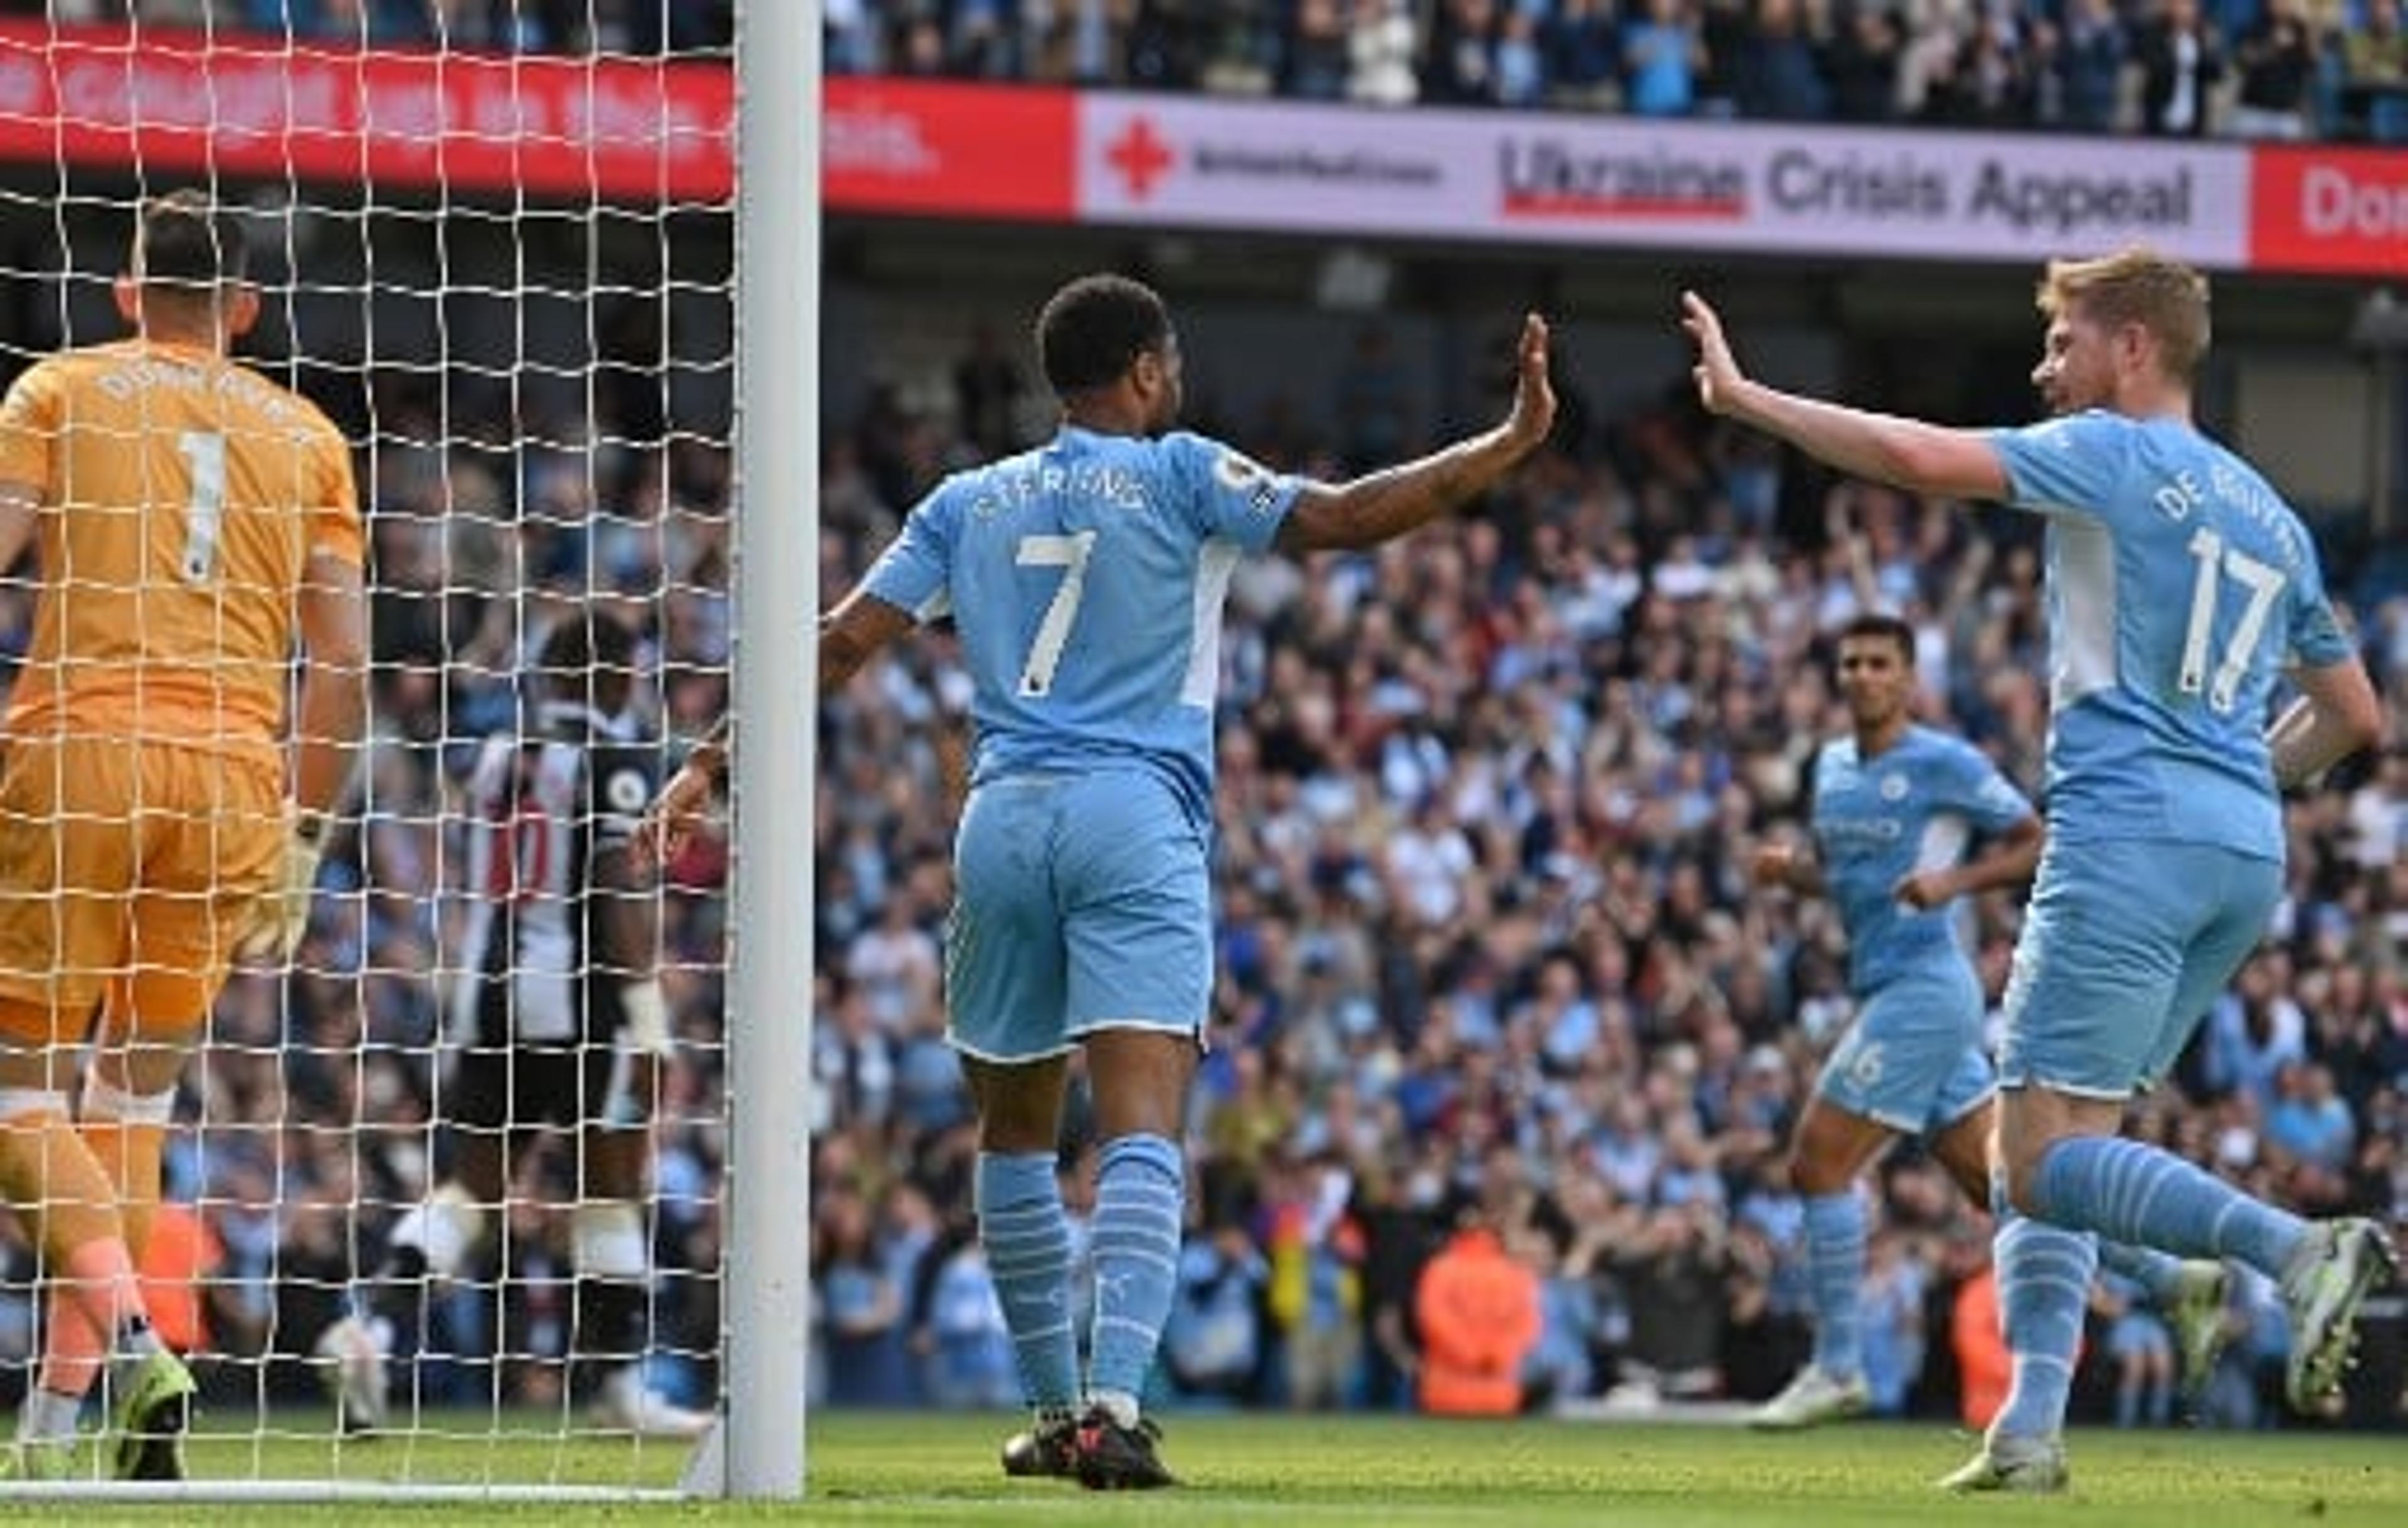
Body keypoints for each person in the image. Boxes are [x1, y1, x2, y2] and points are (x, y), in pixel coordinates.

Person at [641, 272, 1555, 1487]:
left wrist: (710, 759)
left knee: (1014, 1133)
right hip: (1136, 812)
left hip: (1002, 819)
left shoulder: (969, 500)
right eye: (1166, 363)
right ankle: (1116, 1405)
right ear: (1142, 372)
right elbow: (1343, 515)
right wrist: (1506, 441)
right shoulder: (1182, 471)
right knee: (1141, 1120)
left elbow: (845, 639)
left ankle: (1052, 1411)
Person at [1683, 248, 2392, 1492]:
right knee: (2072, 1138)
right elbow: (2356, 717)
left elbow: (1915, 458)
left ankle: (2292, 1254)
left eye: (2064, 342)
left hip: (2125, 836)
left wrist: (1750, 401)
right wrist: (2239, 778)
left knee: (2028, 1155)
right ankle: (2029, 1432)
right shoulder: (2274, 515)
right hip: (2240, 853)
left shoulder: (2114, 455)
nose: (2043, 365)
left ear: (2132, 348)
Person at [0, 191, 367, 1481]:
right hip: (235, 781)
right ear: (249, 309)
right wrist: (305, 831)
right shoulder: (311, 434)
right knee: (130, 1097)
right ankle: (58, 1423)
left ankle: (141, 1343)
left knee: (18, 1091)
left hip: (79, 750)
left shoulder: (55, 391)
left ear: (124, 290)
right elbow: (345, 668)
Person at [1745, 612, 2227, 1431]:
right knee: (2012, 1186)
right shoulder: (1830, 768)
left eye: (1879, 663)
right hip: (1886, 986)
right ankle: (2173, 1277)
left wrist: (1956, 882)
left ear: (1906, 677)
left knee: (1819, 1163)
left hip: (1929, 989)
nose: (1863, 675)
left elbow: (2035, 839)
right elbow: (1846, 870)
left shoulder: (1943, 762)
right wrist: (1793, 872)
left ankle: (1836, 1367)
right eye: (1852, 662)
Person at [314, 613, 709, 1440]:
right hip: (580, 1002)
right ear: (603, 676)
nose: (634, 686)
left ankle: (370, 1326)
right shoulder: (618, 759)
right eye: (627, 672)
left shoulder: (496, 758)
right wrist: (648, 1018)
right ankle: (614, 1387)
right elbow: (613, 891)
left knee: (471, 1191)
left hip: (484, 997)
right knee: (612, 1186)